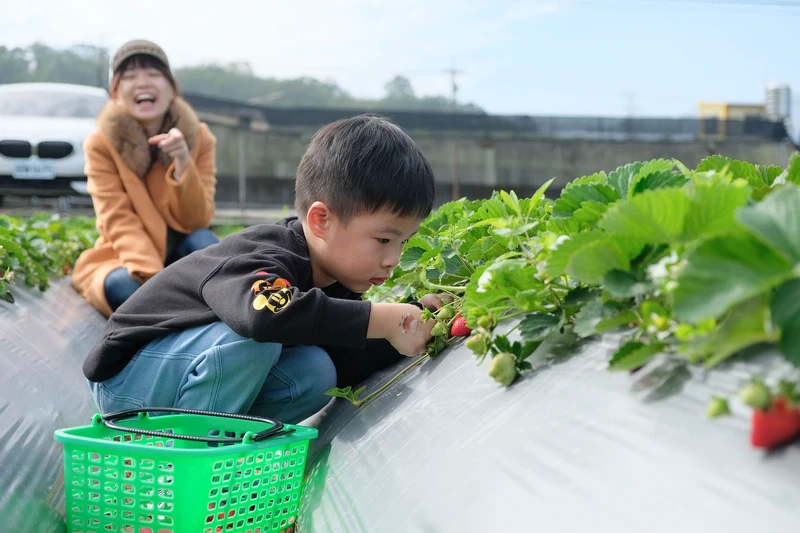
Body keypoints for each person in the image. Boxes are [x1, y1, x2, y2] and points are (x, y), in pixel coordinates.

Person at [82, 114, 442, 425]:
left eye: (404, 243)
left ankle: (215, 449)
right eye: (383, 240)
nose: (394, 258)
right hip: (129, 379)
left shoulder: (337, 282)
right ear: (321, 221)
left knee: (318, 372)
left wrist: (415, 319)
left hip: (183, 383)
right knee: (256, 342)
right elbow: (263, 316)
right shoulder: (266, 253)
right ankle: (185, 467)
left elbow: (346, 361)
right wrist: (379, 319)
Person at [71, 39, 218, 317]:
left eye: (153, 74)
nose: (142, 83)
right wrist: (154, 282)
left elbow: (197, 220)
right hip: (130, 258)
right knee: (119, 286)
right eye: (129, 76)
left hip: (182, 254)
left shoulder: (199, 137)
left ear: (171, 87)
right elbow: (117, 217)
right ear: (115, 91)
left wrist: (182, 162)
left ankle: (206, 322)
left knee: (204, 243)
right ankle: (187, 329)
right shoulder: (101, 143)